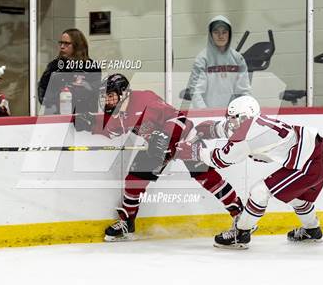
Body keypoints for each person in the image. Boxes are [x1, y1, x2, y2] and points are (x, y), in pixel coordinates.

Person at [75, 73, 246, 242]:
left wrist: (165, 136)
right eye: (105, 97)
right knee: (134, 179)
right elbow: (113, 128)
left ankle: (241, 216)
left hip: (183, 139)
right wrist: (91, 124)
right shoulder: (121, 111)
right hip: (157, 148)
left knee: (205, 176)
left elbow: (179, 117)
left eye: (110, 96)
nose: (107, 101)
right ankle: (127, 222)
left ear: (124, 93)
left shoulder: (146, 100)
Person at [175, 95, 323, 249]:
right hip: (316, 153)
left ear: (245, 117)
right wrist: (212, 129)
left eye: (234, 118)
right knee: (295, 197)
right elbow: (228, 128)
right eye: (230, 117)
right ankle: (312, 230)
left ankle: (241, 233)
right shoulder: (251, 122)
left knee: (260, 191)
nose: (231, 122)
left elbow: (220, 160)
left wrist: (195, 151)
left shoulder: (248, 135)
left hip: (310, 162)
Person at [186, 15, 251, 108]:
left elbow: (244, 91)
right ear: (210, 34)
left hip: (233, 114)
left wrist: (243, 110)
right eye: (216, 32)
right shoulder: (202, 59)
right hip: (208, 115)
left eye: (224, 32)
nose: (220, 36)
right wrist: (205, 114)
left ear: (229, 34)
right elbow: (196, 92)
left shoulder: (238, 59)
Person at [38, 28, 102, 114]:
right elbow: (43, 92)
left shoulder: (91, 67)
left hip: (84, 116)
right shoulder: (55, 66)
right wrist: (59, 97)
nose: (62, 47)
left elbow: (98, 95)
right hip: (59, 115)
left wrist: (88, 87)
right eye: (61, 43)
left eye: (66, 43)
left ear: (77, 45)